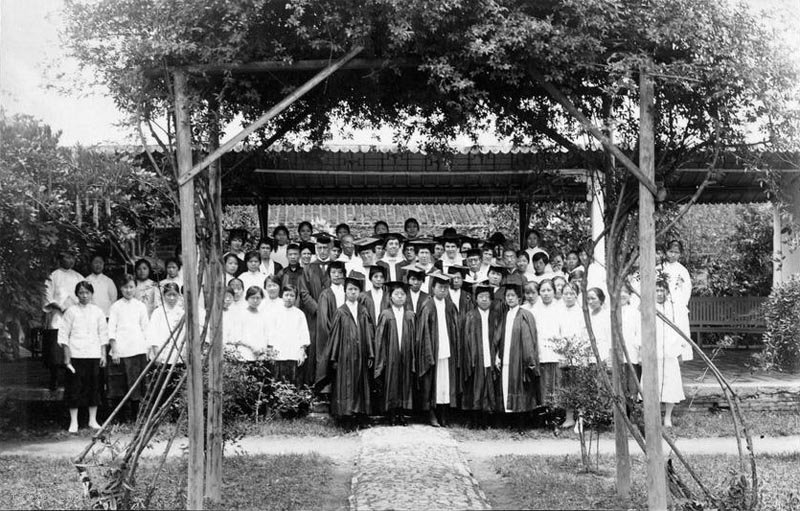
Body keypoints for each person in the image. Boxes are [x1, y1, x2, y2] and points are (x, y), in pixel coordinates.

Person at [58, 281, 108, 432]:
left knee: (93, 387)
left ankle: (93, 420)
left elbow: (103, 334)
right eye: (81, 293)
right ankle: (74, 422)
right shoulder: (71, 312)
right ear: (77, 294)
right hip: (76, 354)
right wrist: (67, 358)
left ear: (92, 294)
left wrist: (103, 354)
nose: (84, 295)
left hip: (93, 354)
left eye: (87, 292)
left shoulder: (98, 312)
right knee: (74, 388)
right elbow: (63, 336)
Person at [416, 274, 460, 427]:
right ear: (433, 288)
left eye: (446, 288)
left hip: (447, 351)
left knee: (445, 384)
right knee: (431, 383)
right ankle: (431, 412)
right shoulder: (427, 306)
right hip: (433, 351)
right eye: (440, 287)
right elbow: (423, 333)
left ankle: (443, 412)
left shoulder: (450, 305)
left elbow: (455, 329)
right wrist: (428, 353)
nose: (443, 290)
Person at [328, 277, 374, 424]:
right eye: (350, 289)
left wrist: (371, 354)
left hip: (361, 354)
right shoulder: (341, 311)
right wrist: (334, 358)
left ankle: (360, 415)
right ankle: (346, 416)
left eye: (355, 289)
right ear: (345, 291)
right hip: (345, 355)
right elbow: (334, 336)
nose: (353, 292)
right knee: (346, 384)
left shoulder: (363, 310)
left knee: (361, 383)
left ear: (360, 292)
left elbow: (368, 333)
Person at [107, 275, 151, 422]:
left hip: (138, 349)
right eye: (125, 287)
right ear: (120, 289)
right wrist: (114, 350)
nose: (128, 290)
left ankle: (134, 417)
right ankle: (120, 417)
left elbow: (146, 329)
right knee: (120, 383)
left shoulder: (140, 306)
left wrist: (146, 350)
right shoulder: (115, 307)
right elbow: (111, 329)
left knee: (136, 383)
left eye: (131, 287)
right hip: (121, 350)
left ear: (135, 287)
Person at [374, 281, 416, 425]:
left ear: (406, 297)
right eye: (396, 294)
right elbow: (379, 338)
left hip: (406, 354)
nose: (399, 297)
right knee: (391, 383)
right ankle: (391, 414)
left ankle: (402, 413)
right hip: (390, 355)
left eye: (402, 294)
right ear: (390, 297)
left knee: (405, 382)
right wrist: (382, 358)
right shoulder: (385, 314)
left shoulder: (410, 315)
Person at [495, 284, 539, 418]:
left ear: (519, 298)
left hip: (519, 359)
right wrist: (497, 355)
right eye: (507, 296)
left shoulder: (524, 315)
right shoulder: (505, 315)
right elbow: (498, 338)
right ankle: (509, 419)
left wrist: (529, 362)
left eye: (513, 295)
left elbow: (528, 340)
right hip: (506, 358)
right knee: (506, 386)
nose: (510, 298)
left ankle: (520, 421)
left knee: (519, 388)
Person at [461, 284, 501, 421]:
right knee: (475, 387)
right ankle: (475, 418)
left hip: (491, 355)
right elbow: (466, 340)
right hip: (475, 357)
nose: (484, 300)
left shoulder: (496, 316)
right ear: (475, 299)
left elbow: (499, 338)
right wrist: (470, 358)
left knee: (490, 386)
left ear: (491, 300)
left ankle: (489, 417)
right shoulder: (470, 316)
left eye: (487, 297)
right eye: (481, 297)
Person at [654, 278, 686, 427]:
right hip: (653, 351)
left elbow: (680, 331)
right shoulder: (648, 307)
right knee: (654, 383)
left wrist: (679, 350)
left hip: (670, 350)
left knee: (670, 384)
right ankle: (654, 415)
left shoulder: (672, 308)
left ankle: (667, 416)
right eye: (656, 290)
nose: (659, 293)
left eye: (662, 290)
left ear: (667, 292)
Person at [266, 284, 310, 384]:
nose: (289, 298)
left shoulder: (299, 314)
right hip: (278, 353)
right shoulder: (275, 312)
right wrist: (271, 350)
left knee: (293, 382)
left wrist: (302, 350)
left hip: (293, 353)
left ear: (295, 298)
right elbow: (270, 332)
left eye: (292, 295)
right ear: (282, 296)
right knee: (277, 382)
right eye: (286, 295)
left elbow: (303, 333)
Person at [314, 261, 347, 394]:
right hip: (331, 337)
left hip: (347, 336)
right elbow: (323, 320)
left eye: (340, 272)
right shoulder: (325, 294)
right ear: (329, 275)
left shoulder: (348, 292)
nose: (337, 275)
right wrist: (334, 339)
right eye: (333, 272)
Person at [661, 240, 693, 361]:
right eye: (671, 251)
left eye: (676, 252)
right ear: (666, 252)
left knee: (679, 335)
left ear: (680, 254)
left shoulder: (683, 270)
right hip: (663, 306)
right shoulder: (660, 268)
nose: (673, 255)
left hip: (678, 307)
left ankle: (678, 361)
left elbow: (686, 290)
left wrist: (680, 304)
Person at [147, 282, 185, 366]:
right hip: (161, 355)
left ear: (178, 296)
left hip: (177, 356)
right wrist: (157, 353)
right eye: (169, 295)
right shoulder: (158, 312)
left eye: (174, 295)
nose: (172, 298)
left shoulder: (182, 313)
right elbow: (152, 333)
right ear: (163, 296)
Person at [230, 286, 270, 361]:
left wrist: (262, 350)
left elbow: (265, 336)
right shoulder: (241, 314)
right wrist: (252, 347)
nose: (255, 300)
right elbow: (237, 337)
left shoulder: (263, 316)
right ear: (247, 298)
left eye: (258, 298)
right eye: (252, 297)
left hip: (259, 358)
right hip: (244, 355)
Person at [85, 254, 118, 319]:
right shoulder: (86, 280)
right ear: (91, 264)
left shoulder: (108, 281)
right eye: (95, 262)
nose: (98, 265)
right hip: (91, 316)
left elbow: (113, 298)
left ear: (103, 264)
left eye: (100, 263)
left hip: (106, 315)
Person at [305, 234, 334, 300]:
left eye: (325, 248)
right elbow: (305, 291)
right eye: (319, 248)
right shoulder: (308, 268)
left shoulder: (337, 266)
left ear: (330, 248)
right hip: (314, 307)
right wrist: (315, 308)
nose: (322, 251)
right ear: (316, 248)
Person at [360, 265, 390, 330]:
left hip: (384, 330)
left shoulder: (388, 297)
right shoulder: (363, 296)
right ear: (370, 278)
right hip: (367, 331)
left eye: (382, 277)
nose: (379, 279)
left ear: (385, 279)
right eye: (375, 276)